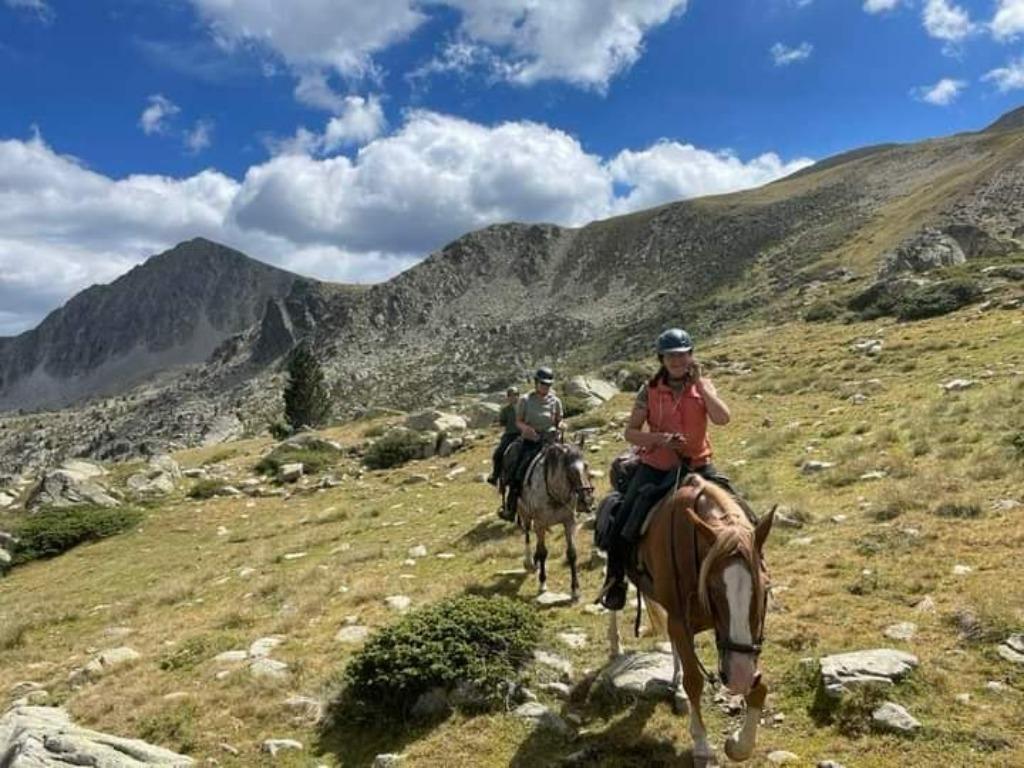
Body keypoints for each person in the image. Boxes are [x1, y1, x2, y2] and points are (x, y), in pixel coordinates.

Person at [597, 328, 736, 610]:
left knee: (741, 511)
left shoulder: (703, 385)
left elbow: (723, 418)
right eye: (670, 356)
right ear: (661, 358)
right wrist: (660, 439)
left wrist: (703, 388)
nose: (677, 361)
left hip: (698, 465)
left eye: (682, 355)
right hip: (657, 466)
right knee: (623, 521)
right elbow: (631, 433)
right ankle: (615, 580)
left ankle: (753, 569)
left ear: (691, 356)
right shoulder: (647, 391)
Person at [501, 367, 563, 521]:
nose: (545, 387)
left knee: (572, 465)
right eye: (543, 384)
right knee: (518, 470)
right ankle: (511, 506)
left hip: (551, 440)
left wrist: (561, 426)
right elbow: (518, 421)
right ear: (536, 383)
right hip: (531, 441)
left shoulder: (555, 401)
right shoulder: (525, 400)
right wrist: (527, 429)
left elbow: (559, 420)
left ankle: (581, 500)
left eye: (548, 385)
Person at [487, 386, 520, 486]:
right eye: (510, 396)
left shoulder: (524, 407)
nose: (513, 397)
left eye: (515, 395)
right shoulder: (505, 410)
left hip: (523, 434)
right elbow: (502, 422)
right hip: (510, 435)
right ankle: (495, 475)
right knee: (498, 454)